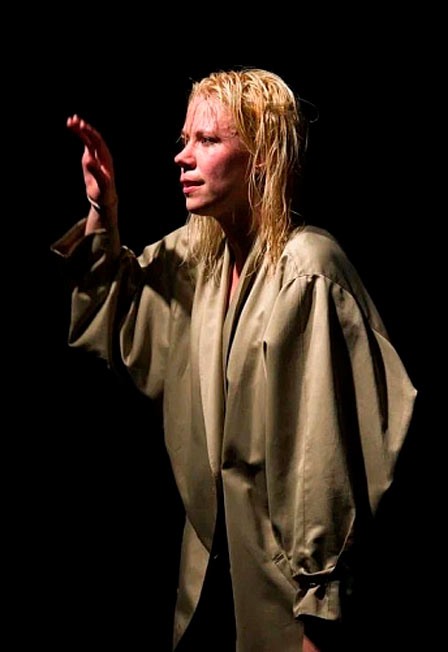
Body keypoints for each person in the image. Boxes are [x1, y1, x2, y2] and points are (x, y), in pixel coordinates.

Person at [52, 68, 417, 651]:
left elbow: (325, 463)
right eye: (184, 139)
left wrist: (320, 616)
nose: (182, 156)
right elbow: (113, 316)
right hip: (209, 595)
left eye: (208, 140)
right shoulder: (202, 257)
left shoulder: (307, 273)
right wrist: (104, 211)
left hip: (287, 608)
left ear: (262, 159)